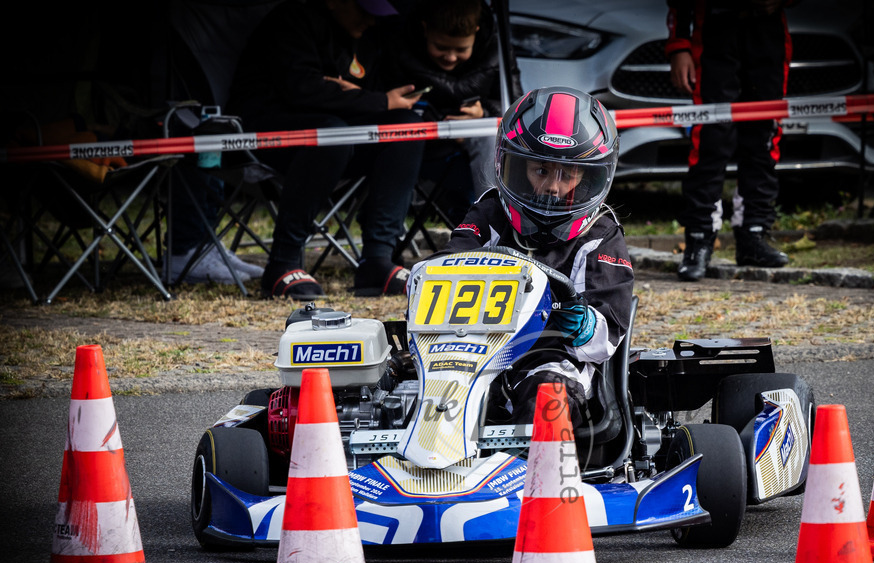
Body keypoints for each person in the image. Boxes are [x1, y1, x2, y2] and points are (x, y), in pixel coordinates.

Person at [431, 86, 634, 430]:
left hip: (552, 360)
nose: (553, 187)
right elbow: (449, 262)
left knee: (547, 395)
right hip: (475, 353)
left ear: (589, 178)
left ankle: (531, 477)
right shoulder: (491, 211)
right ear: (511, 165)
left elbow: (608, 336)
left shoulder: (601, 235)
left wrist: (583, 323)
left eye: (567, 175)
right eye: (540, 170)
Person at [228, 0, 426, 298]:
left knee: (404, 127)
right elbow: (301, 91)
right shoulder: (290, 22)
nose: (371, 21)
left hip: (340, 134)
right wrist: (371, 100)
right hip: (267, 135)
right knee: (331, 134)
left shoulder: (369, 35)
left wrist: (358, 97)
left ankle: (378, 260)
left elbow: (367, 91)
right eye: (364, 12)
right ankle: (282, 263)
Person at [666, 0, 792, 281]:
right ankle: (698, 241)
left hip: (767, 29)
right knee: (710, 140)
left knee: (764, 138)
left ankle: (754, 236)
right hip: (713, 28)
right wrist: (679, 45)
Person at [384, 0, 502, 204]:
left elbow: (514, 105)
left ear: (476, 31)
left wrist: (483, 113)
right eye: (441, 47)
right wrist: (447, 126)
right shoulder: (399, 43)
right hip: (413, 143)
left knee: (489, 135)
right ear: (425, 29)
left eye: (461, 49)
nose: (450, 57)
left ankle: (492, 220)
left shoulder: (497, 48)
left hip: (467, 151)